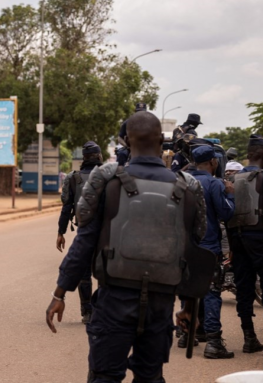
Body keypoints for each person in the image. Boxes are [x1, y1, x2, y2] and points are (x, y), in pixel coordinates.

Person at [46, 112, 210, 383]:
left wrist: (60, 293)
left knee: (104, 376)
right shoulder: (187, 187)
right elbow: (194, 251)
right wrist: (190, 308)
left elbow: (84, 243)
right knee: (150, 377)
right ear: (162, 140)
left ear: (125, 141)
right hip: (161, 305)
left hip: (113, 302)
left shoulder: (108, 182)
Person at [227, 134, 263, 356]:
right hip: (262, 239)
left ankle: (249, 338)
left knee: (244, 289)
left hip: (237, 240)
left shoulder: (232, 177)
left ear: (249, 155)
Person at [190, 145, 236, 359]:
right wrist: (231, 195)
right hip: (209, 246)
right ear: (213, 162)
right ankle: (214, 342)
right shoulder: (214, 183)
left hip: (185, 247)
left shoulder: (181, 180)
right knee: (211, 292)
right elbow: (226, 213)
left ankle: (186, 334)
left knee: (188, 289)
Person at [57, 141, 103, 324]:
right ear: (99, 157)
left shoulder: (73, 178)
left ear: (83, 158)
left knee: (83, 274)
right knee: (104, 273)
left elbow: (66, 206)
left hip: (84, 232)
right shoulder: (111, 176)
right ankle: (100, 309)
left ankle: (87, 311)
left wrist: (61, 232)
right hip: (106, 234)